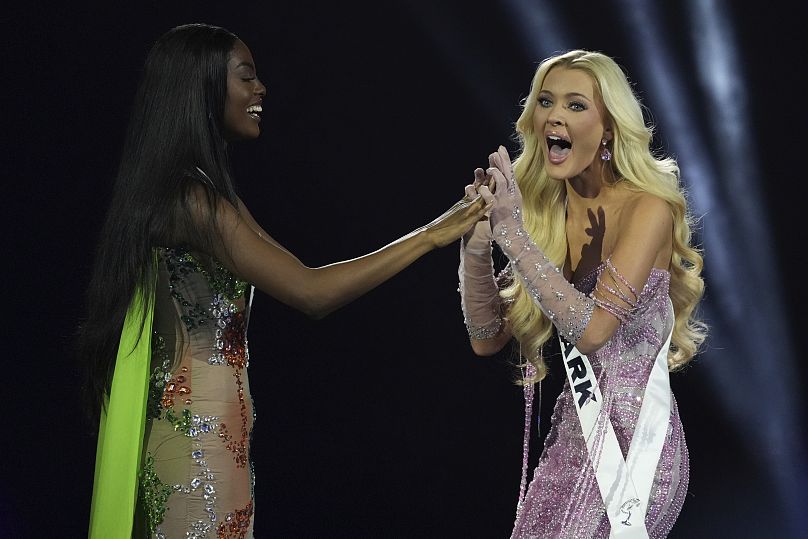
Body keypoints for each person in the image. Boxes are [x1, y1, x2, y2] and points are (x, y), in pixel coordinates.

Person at [78, 23, 490, 538]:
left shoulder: (207, 195)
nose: (261, 89)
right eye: (245, 77)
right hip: (194, 448)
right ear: (202, 87)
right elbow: (311, 293)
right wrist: (431, 235)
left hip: (220, 438)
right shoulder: (191, 202)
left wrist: (440, 228)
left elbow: (306, 275)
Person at [459, 50, 706, 538]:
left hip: (635, 447)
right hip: (572, 441)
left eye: (575, 105)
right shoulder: (540, 219)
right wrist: (477, 246)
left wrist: (513, 236)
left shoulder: (648, 209)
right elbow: (486, 336)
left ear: (609, 128)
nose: (554, 115)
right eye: (546, 101)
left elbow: (594, 330)